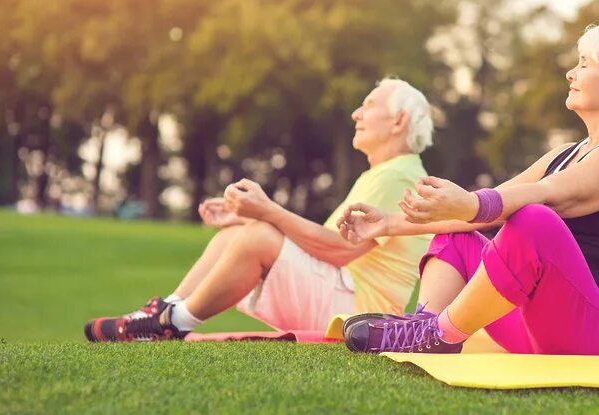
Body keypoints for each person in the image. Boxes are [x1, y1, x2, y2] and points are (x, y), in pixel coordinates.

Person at [338, 25, 599, 356]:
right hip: (540, 322)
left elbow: (549, 194)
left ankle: (437, 334)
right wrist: (388, 224)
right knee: (457, 234)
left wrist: (467, 203)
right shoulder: (565, 153)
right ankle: (424, 330)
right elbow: (489, 207)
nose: (570, 73)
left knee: (533, 219)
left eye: (584, 64)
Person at [84, 78, 434, 342]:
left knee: (257, 236)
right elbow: (325, 244)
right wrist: (248, 215)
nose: (357, 113)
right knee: (244, 232)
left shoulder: (398, 176)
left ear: (399, 121)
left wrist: (266, 212)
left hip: (360, 314)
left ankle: (175, 322)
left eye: (369, 105)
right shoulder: (389, 173)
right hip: (346, 295)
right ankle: (166, 310)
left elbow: (339, 250)